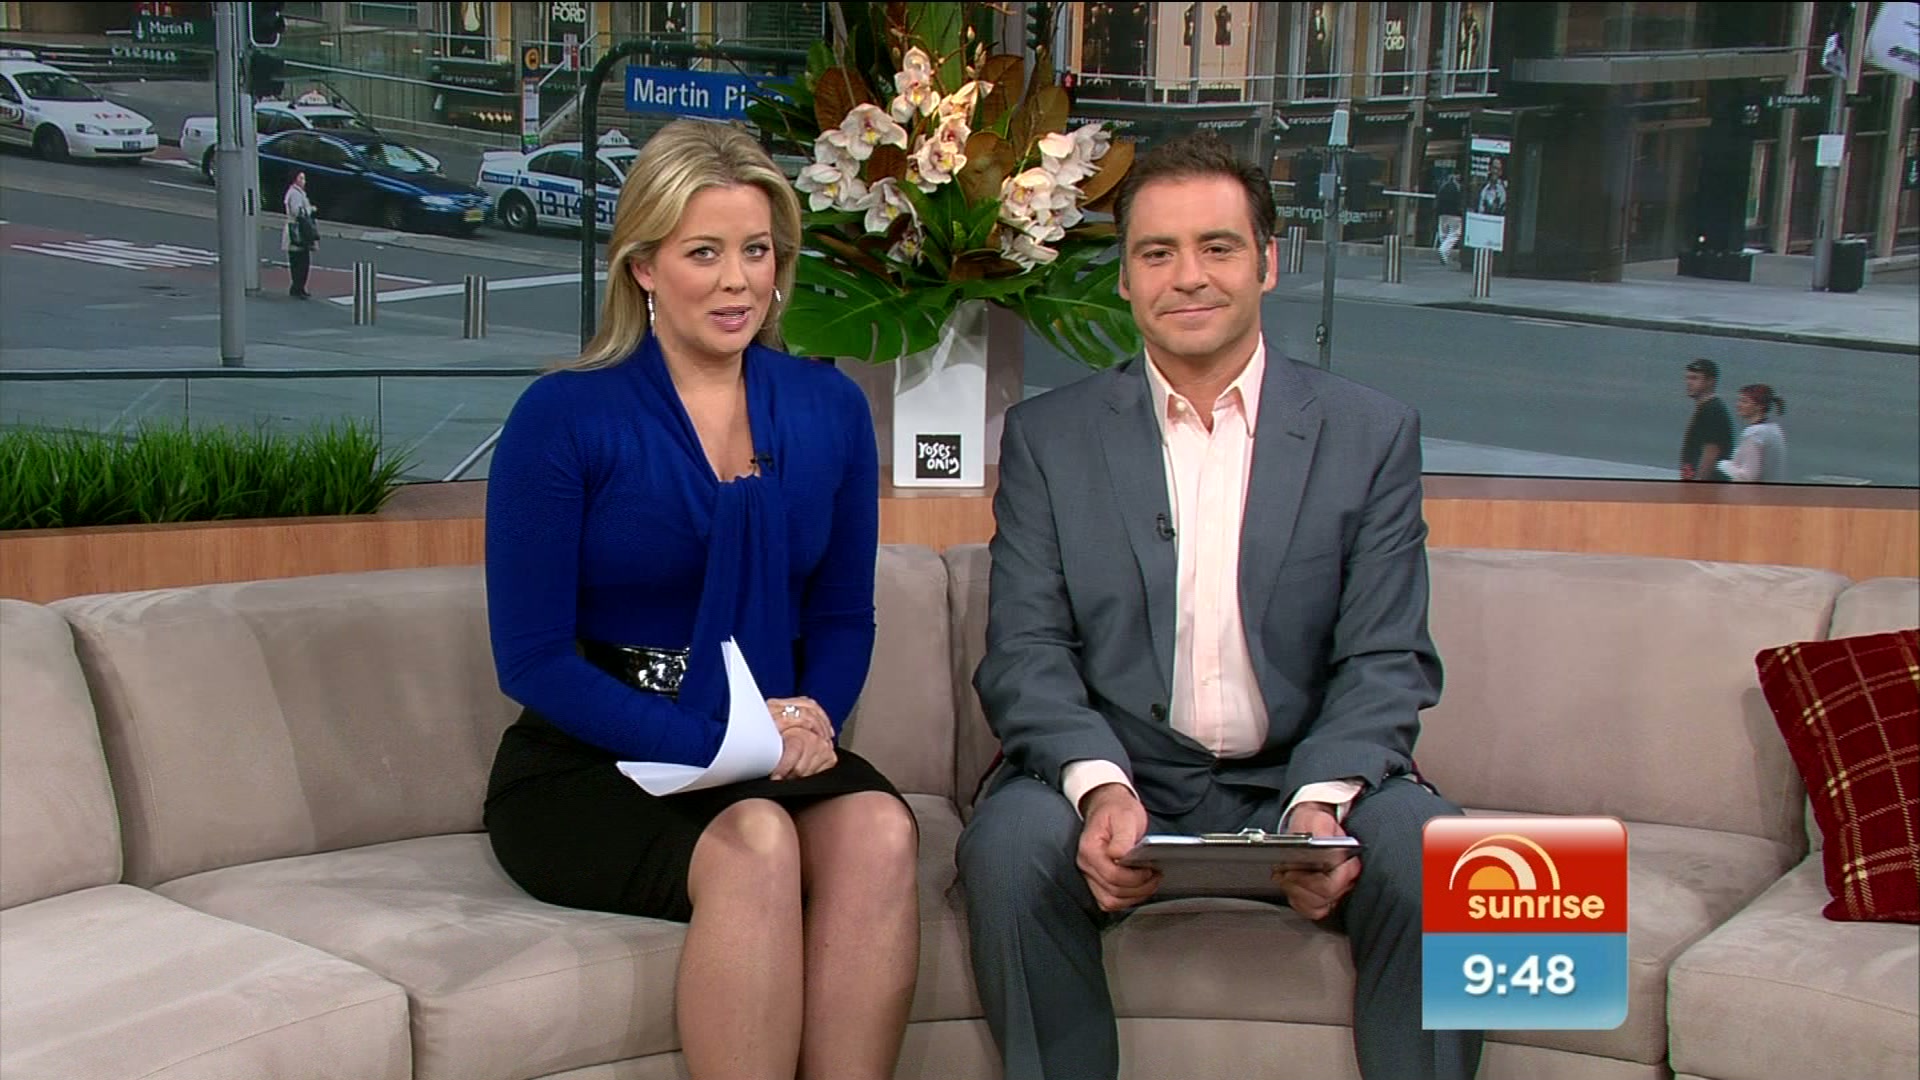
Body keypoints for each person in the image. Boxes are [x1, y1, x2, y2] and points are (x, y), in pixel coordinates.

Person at [956, 130, 1483, 1080]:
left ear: (1267, 263)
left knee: (1446, 859)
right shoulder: (1048, 439)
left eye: (1218, 247)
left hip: (1307, 775)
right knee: (1008, 844)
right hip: (1123, 770)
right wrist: (1099, 787)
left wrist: (1321, 805)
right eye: (1158, 253)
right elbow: (1027, 652)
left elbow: (1385, 658)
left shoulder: (1369, 434)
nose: (1188, 276)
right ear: (1125, 279)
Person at [482, 118, 918, 1080]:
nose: (737, 282)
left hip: (763, 735)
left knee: (880, 831)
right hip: (592, 756)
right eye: (704, 253)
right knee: (758, 839)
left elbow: (842, 615)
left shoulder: (831, 408)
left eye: (756, 251)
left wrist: (812, 716)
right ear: (643, 266)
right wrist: (718, 742)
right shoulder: (564, 417)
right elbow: (533, 659)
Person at [1717, 383, 1788, 482]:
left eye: (1744, 401)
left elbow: (1748, 476)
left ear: (1760, 406)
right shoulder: (1773, 429)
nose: (1738, 405)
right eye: (1739, 400)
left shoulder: (1755, 433)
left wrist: (1723, 465)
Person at [1678, 358, 1734, 481]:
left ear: (1710, 381)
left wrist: (1700, 484)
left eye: (1695, 378)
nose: (1689, 383)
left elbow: (1711, 452)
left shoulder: (1712, 410)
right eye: (1688, 378)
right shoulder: (1705, 409)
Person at [282, 170, 316, 299]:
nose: (304, 181)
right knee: (300, 261)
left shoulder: (296, 192)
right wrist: (310, 209)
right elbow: (297, 212)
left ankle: (298, 287)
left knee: (299, 261)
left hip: (298, 230)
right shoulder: (295, 193)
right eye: (301, 178)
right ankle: (298, 288)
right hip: (298, 230)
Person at [1434, 170, 1464, 268]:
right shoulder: (1458, 187)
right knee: (1455, 234)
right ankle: (1443, 250)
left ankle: (1444, 255)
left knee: (1443, 234)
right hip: (1454, 213)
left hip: (1442, 213)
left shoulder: (1443, 185)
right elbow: (1460, 200)